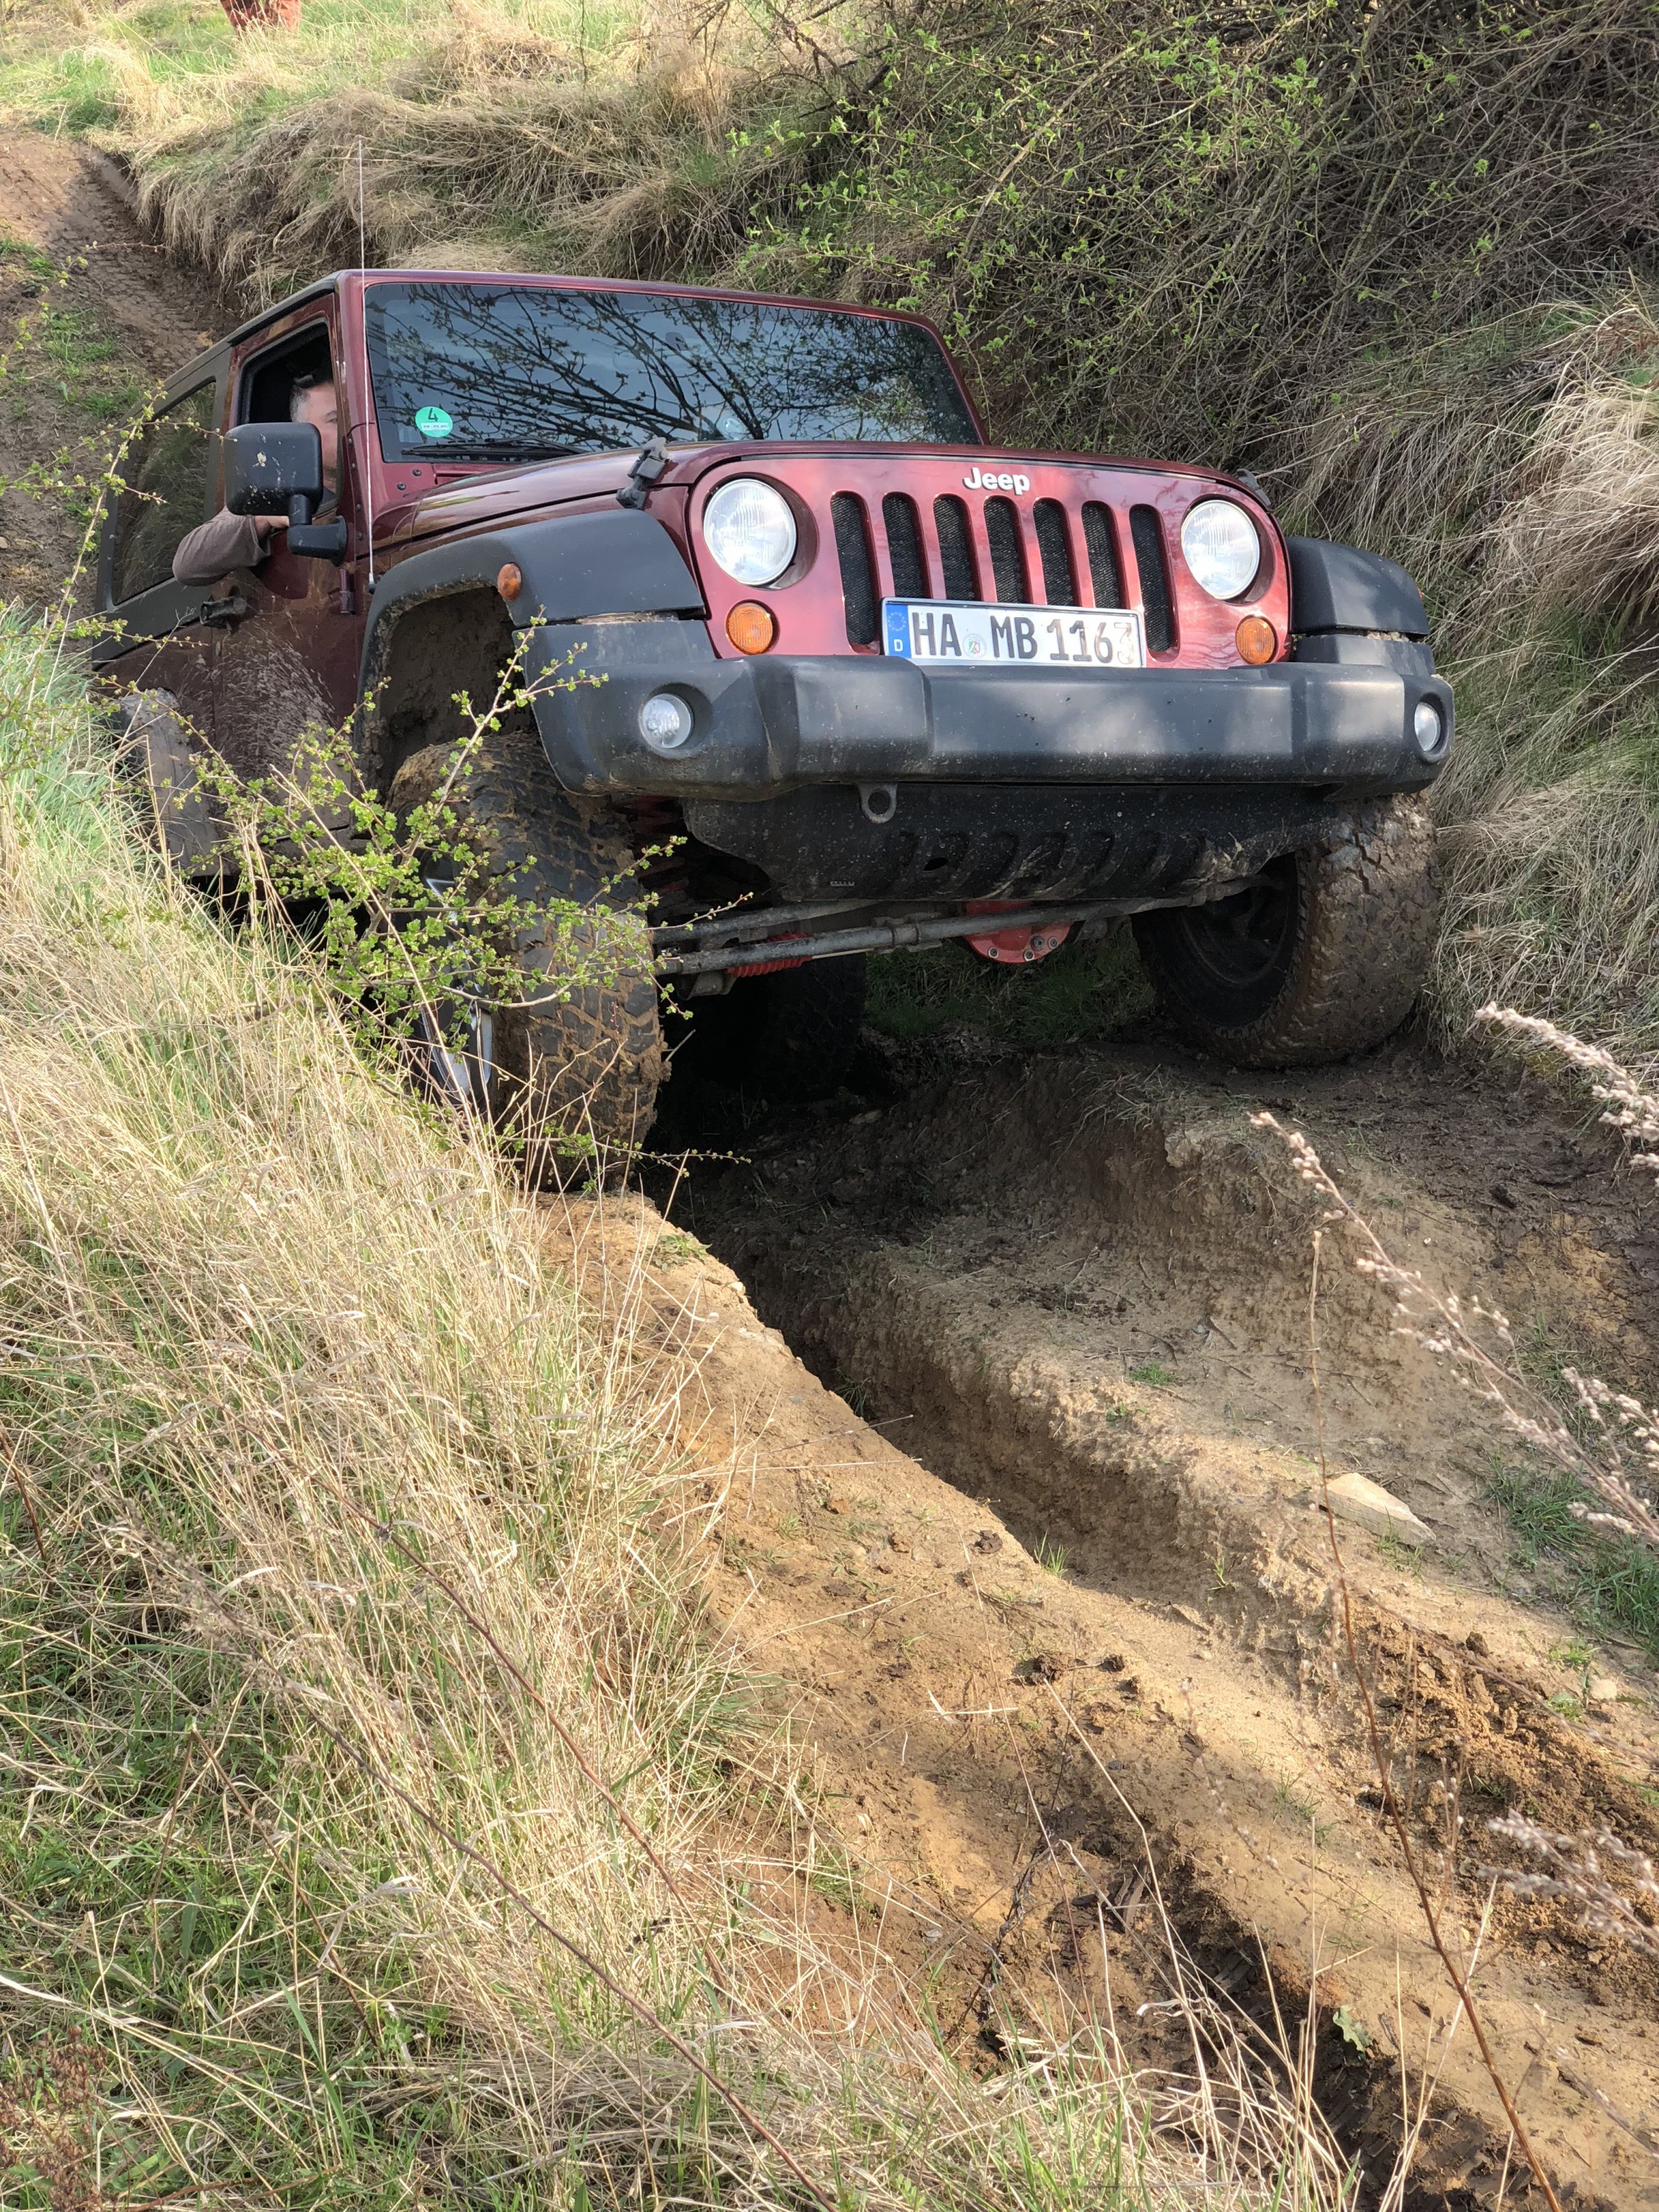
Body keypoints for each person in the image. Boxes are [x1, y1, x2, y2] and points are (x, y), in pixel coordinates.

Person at [173, 372, 339, 586]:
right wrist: (264, 518)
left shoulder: (384, 486)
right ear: (301, 433)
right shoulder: (279, 488)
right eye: (335, 419)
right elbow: (187, 564)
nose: (350, 426)